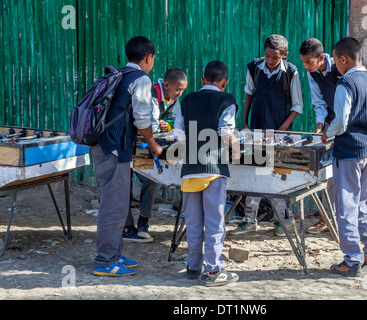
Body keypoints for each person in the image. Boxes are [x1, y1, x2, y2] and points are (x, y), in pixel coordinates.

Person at [92, 36, 163, 277]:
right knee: (113, 207)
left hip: (105, 148)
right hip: (113, 150)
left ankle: (114, 254)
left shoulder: (120, 75)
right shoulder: (141, 79)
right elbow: (142, 119)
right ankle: (105, 261)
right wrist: (153, 144)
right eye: (153, 58)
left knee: (117, 205)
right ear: (148, 57)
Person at [321, 37, 367, 277]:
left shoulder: (346, 83)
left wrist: (327, 134)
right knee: (359, 201)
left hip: (349, 150)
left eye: (335, 62)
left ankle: (352, 260)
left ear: (343, 59)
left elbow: (341, 121)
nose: (335, 68)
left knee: (346, 206)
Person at [173, 60, 240, 286]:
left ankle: (193, 266)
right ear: (225, 83)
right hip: (213, 170)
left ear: (202, 80)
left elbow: (179, 137)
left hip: (189, 170)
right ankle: (213, 271)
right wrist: (238, 149)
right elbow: (225, 131)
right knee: (214, 223)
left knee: (192, 222)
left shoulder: (187, 100)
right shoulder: (227, 100)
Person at [231, 34, 304, 237]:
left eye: (275, 58)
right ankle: (249, 220)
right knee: (254, 174)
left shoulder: (291, 72)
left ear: (285, 55)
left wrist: (282, 128)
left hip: (279, 134)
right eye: (268, 56)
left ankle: (281, 221)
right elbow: (249, 93)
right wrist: (245, 122)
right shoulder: (255, 67)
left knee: (277, 176)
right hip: (257, 130)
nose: (270, 61)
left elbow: (297, 106)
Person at [123, 68, 188, 243]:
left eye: (182, 91)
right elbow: (150, 124)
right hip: (129, 145)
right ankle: (126, 226)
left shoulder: (173, 99)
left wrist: (167, 123)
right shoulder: (152, 93)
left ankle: (143, 221)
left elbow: (178, 123)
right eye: (177, 90)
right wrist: (164, 126)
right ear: (166, 85)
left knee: (150, 179)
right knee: (124, 184)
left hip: (148, 146)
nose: (180, 94)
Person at [299, 38, 341, 234]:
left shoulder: (339, 68)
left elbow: (346, 104)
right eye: (303, 62)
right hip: (330, 124)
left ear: (321, 57)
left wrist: (331, 128)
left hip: (346, 125)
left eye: (309, 61)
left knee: (343, 173)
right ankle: (326, 218)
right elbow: (319, 103)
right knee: (327, 173)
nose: (306, 66)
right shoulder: (312, 74)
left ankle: (342, 220)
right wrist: (319, 125)